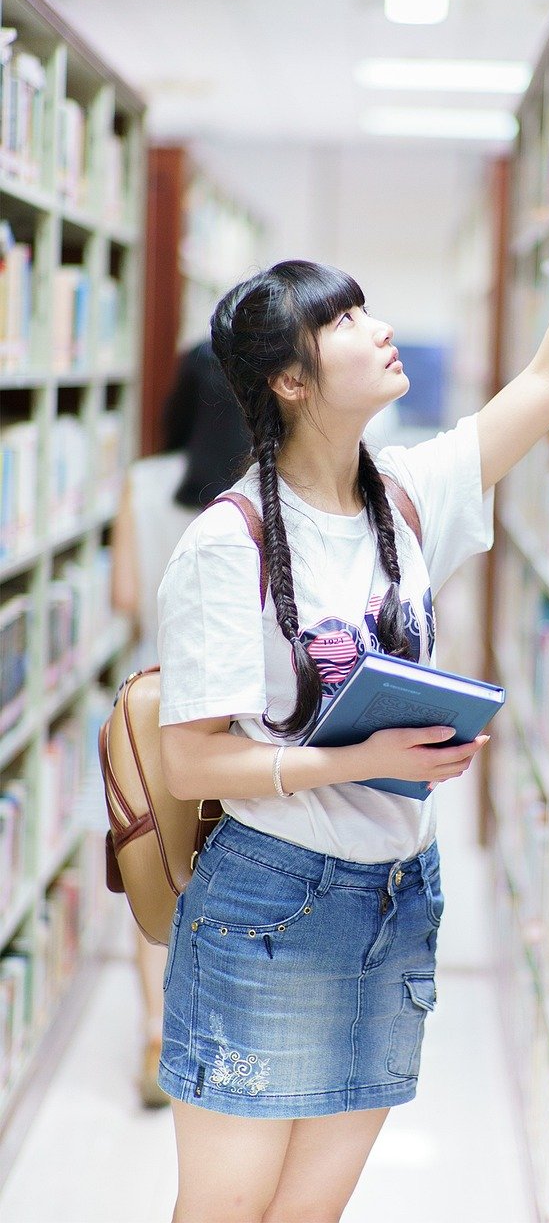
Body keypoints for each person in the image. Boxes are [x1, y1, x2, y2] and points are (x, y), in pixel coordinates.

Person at [155, 99, 549, 1223]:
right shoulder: (223, 543)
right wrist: (359, 754)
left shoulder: (412, 493)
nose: (379, 327)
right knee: (227, 1211)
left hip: (398, 894)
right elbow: (190, 765)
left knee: (310, 1212)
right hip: (269, 903)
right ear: (290, 379)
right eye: (346, 320)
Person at [110, 339, 250, 1106]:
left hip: (152, 714)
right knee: (225, 871)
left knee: (154, 867)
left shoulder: (143, 482)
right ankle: (218, 1033)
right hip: (236, 723)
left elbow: (126, 596)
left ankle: (156, 1033)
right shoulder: (258, 496)